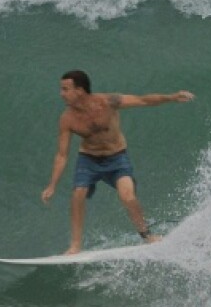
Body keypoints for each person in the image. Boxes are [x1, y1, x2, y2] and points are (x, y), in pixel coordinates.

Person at [41, 70, 194, 254]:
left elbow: (143, 100)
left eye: (65, 89)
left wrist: (172, 97)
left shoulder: (107, 102)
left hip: (117, 158)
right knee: (78, 194)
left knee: (128, 196)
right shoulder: (67, 119)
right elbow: (62, 155)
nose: (61, 93)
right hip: (88, 160)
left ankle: (147, 236)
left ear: (80, 90)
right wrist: (52, 185)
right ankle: (75, 245)